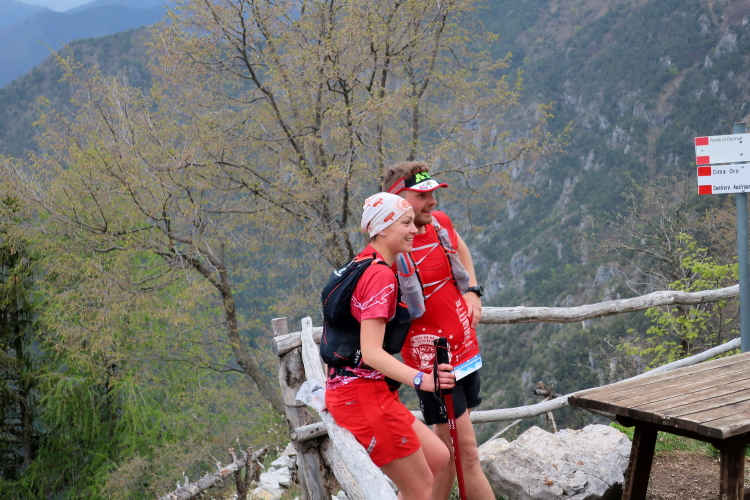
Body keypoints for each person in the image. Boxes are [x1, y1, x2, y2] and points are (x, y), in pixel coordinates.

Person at [323, 192, 457, 500]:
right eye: (406, 223)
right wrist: (424, 380)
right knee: (419, 486)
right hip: (361, 396)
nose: (415, 229)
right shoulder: (380, 275)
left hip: (366, 389)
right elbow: (371, 353)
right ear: (382, 228)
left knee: (437, 458)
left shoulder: (361, 262)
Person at [383, 162, 495, 500]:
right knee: (468, 455)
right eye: (422, 196)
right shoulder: (390, 246)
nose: (432, 201)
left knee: (446, 453)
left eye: (433, 193)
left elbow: (460, 247)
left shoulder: (439, 223)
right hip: (434, 366)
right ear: (398, 200)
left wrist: (472, 289)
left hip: (466, 350)